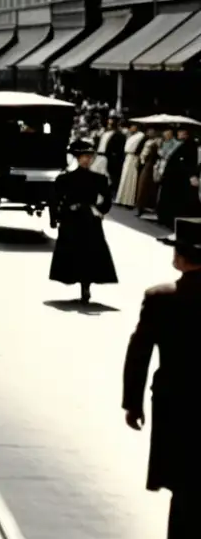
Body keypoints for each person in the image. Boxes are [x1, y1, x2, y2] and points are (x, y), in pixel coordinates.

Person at [122, 217, 201, 539]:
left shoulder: (161, 299)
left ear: (180, 258)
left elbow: (139, 353)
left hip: (176, 402)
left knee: (182, 486)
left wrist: (132, 403)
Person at [50, 140, 118, 303]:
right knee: (73, 252)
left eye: (90, 157)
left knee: (90, 253)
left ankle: (86, 286)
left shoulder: (98, 179)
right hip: (71, 220)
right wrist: (56, 217)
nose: (87, 160)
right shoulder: (64, 178)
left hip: (89, 221)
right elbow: (55, 200)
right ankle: (77, 280)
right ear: (77, 158)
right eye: (84, 157)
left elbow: (107, 199)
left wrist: (99, 210)